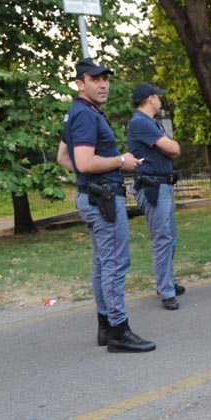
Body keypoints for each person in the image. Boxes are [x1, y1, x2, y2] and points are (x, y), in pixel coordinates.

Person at [58, 57, 155, 352]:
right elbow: (84, 161)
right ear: (80, 84)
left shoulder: (78, 112)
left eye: (105, 79)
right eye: (94, 79)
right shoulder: (86, 115)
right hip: (103, 200)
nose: (102, 85)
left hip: (93, 195)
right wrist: (120, 162)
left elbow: (64, 158)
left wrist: (91, 177)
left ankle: (105, 326)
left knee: (103, 264)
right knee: (114, 264)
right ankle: (118, 330)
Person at [127, 82, 183, 310]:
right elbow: (173, 149)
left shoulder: (151, 122)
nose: (160, 100)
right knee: (162, 239)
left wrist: (169, 146)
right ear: (150, 99)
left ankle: (166, 281)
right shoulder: (141, 122)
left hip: (162, 186)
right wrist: (169, 146)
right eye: (158, 97)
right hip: (153, 187)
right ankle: (166, 290)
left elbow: (171, 147)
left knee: (170, 238)